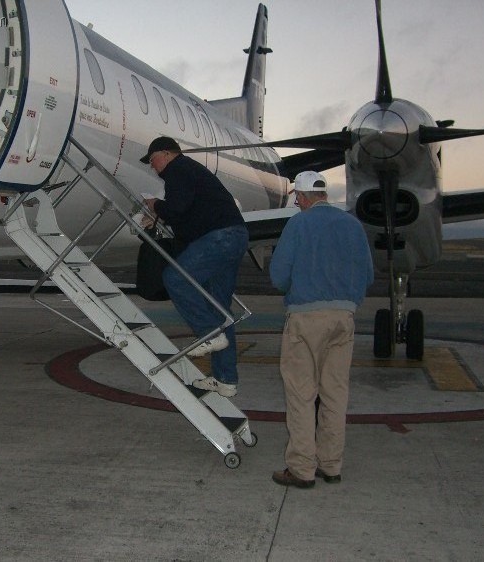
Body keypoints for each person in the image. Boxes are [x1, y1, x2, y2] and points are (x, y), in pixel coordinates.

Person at [269, 171, 374, 488]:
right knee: (335, 392)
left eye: (296, 199)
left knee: (302, 394)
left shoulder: (298, 224)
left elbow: (278, 277)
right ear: (324, 194)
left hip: (305, 318)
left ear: (300, 197)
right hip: (344, 318)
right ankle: (331, 465)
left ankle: (302, 468)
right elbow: (367, 275)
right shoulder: (353, 225)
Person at [140, 136, 249, 398]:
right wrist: (157, 218)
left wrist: (155, 205)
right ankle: (225, 380)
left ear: (166, 154)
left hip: (219, 238)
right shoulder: (191, 172)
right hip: (233, 237)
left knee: (175, 280)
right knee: (219, 308)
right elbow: (186, 218)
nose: (152, 167)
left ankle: (208, 333)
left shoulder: (178, 170)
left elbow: (176, 209)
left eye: (153, 160)